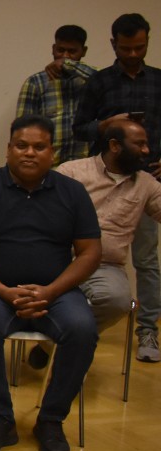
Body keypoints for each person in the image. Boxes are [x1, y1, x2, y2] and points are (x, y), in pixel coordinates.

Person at [0, 116, 101, 451]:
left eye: (39, 147)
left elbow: (91, 252)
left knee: (82, 328)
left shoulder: (73, 192)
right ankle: (0, 419)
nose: (29, 153)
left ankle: (50, 420)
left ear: (52, 152)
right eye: (21, 146)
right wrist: (3, 291)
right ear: (8, 149)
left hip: (56, 293)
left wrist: (50, 292)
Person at [74, 13, 161, 362]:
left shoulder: (158, 81)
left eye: (140, 47)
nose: (133, 54)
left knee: (147, 260)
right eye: (126, 48)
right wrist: (104, 125)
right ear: (113, 45)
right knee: (92, 253)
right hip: (105, 183)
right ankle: (70, 327)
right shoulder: (100, 82)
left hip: (147, 183)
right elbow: (79, 128)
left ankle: (148, 330)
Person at [56, 120, 161, 333]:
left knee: (117, 302)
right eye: (139, 144)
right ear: (115, 146)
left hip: (105, 267)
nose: (146, 150)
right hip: (59, 260)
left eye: (146, 144)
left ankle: (61, 338)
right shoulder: (71, 172)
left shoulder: (146, 184)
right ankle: (66, 338)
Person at [16, 24, 97, 165]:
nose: (65, 56)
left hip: (85, 165)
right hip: (47, 166)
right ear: (53, 48)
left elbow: (107, 80)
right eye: (60, 50)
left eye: (72, 51)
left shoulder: (91, 79)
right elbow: (22, 129)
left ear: (84, 51)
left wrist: (68, 64)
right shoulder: (36, 82)